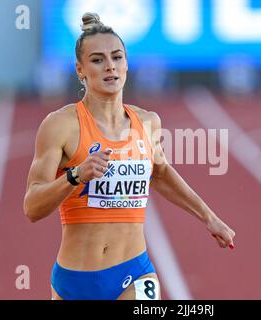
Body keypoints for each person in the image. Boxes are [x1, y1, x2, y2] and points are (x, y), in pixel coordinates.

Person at [23, 12, 236, 300]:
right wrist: (75, 175)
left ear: (126, 63)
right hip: (75, 279)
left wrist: (209, 218)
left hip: (134, 271)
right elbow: (32, 207)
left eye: (117, 57)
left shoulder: (147, 122)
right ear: (80, 70)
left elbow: (160, 173)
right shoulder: (61, 125)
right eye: (98, 60)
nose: (110, 66)